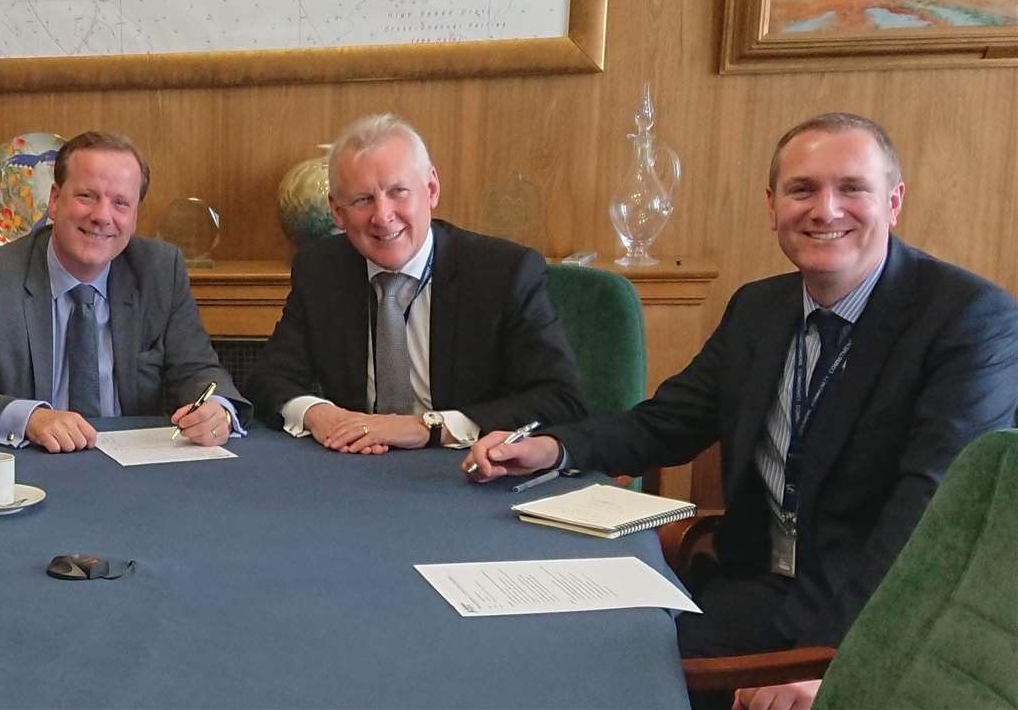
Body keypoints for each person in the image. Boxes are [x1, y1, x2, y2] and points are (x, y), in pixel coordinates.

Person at [466, 112, 1018, 656]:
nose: (825, 210)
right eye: (802, 189)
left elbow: (930, 513)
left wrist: (831, 660)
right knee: (553, 651)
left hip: (873, 612)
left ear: (893, 202)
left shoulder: (970, 320)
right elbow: (667, 422)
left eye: (852, 188)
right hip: (749, 585)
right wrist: (556, 448)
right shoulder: (760, 307)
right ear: (772, 205)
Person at [248, 113, 587, 453]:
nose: (382, 216)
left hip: (465, 470)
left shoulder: (502, 273)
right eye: (363, 200)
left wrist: (428, 427)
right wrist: (318, 414)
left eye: (398, 192)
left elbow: (560, 400)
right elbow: (268, 379)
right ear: (337, 211)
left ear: (431, 190)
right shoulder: (321, 269)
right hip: (354, 467)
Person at [0, 131, 250, 451]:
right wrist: (31, 418)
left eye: (121, 203)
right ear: (54, 201)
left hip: (136, 472)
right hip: (32, 467)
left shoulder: (160, 271)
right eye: (86, 196)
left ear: (135, 217)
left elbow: (198, 369)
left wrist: (217, 409)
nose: (101, 216)